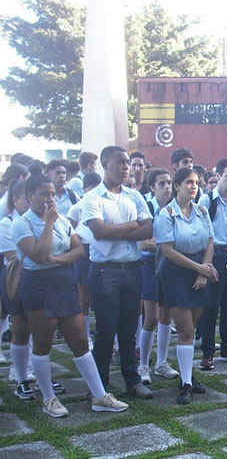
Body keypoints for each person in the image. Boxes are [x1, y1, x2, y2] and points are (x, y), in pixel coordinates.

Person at [13, 173, 128, 417]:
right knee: (43, 343)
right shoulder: (22, 223)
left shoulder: (63, 221)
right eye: (44, 194)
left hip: (64, 285)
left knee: (80, 343)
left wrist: (55, 259)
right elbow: (37, 255)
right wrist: (48, 224)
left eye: (53, 194)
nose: (50, 199)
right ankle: (48, 398)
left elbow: (78, 251)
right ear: (30, 195)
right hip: (38, 287)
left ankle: (99, 395)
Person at [81, 145, 154, 399]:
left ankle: (132, 380)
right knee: (105, 330)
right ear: (104, 165)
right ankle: (99, 385)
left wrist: (118, 229)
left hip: (132, 269)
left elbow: (148, 230)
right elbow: (99, 232)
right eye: (120, 163)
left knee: (128, 330)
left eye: (127, 163)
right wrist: (133, 225)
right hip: (105, 271)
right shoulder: (93, 198)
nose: (125, 167)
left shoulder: (134, 196)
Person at [154, 167, 216, 404]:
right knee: (186, 330)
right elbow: (167, 250)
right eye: (188, 182)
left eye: (196, 183)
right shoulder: (167, 213)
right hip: (176, 274)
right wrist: (198, 268)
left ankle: (187, 376)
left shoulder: (201, 210)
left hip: (199, 270)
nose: (193, 186)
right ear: (177, 185)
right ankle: (186, 383)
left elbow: (210, 241)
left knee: (193, 326)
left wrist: (204, 270)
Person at [196, 159, 227, 370]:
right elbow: (204, 234)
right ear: (218, 176)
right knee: (211, 306)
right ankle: (207, 351)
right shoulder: (207, 201)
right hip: (215, 255)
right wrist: (208, 263)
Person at [135, 169, 179, 383]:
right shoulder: (147, 207)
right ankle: (143, 364)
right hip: (149, 266)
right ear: (151, 187)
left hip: (168, 266)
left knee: (166, 316)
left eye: (169, 183)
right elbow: (144, 243)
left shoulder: (173, 209)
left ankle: (161, 362)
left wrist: (167, 245)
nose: (167, 187)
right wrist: (168, 245)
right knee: (150, 317)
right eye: (161, 183)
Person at [0, 179, 34, 394]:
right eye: (26, 198)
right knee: (21, 328)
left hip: (40, 278)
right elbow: (16, 256)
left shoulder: (38, 221)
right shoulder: (6, 223)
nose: (31, 203)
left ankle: (31, 369)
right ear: (16, 199)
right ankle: (19, 374)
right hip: (17, 279)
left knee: (38, 330)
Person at [67, 172, 102, 350]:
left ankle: (101, 334)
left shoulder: (101, 204)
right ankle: (85, 334)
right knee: (84, 297)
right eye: (90, 188)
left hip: (100, 249)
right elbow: (70, 230)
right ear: (84, 189)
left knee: (101, 294)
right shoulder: (76, 208)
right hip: (83, 250)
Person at [44, 160, 78, 237]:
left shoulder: (72, 196)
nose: (62, 176)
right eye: (58, 173)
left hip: (72, 236)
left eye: (64, 173)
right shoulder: (45, 198)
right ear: (48, 175)